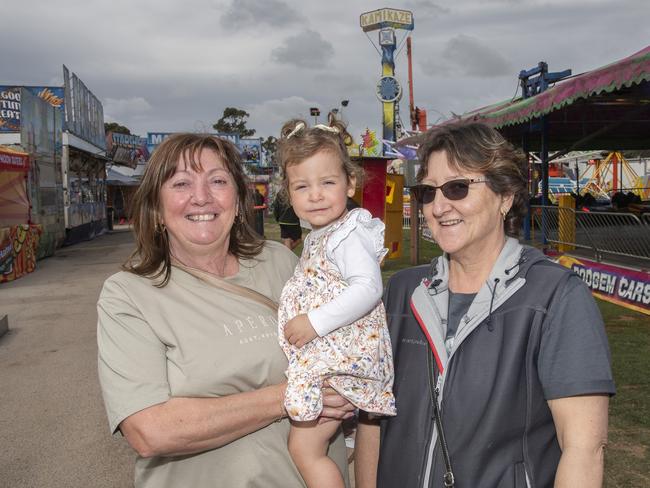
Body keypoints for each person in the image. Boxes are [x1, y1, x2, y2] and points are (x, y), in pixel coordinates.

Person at [355, 122, 615, 488]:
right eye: (427, 192)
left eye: (457, 187)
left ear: (505, 196)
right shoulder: (400, 292)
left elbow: (584, 450)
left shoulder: (555, 297)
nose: (439, 205)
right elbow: (371, 420)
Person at [96, 133, 353, 488]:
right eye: (182, 183)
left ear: (237, 200)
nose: (201, 197)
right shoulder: (129, 295)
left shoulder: (280, 263)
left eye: (217, 181)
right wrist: (293, 395)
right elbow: (150, 430)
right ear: (156, 207)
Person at [276, 116, 396, 488]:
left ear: (350, 183)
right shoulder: (320, 235)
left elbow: (367, 288)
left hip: (345, 359)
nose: (315, 195)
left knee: (304, 447)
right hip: (336, 354)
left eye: (327, 182)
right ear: (289, 194)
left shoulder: (348, 233)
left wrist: (314, 322)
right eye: (302, 186)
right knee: (321, 445)